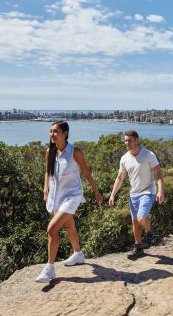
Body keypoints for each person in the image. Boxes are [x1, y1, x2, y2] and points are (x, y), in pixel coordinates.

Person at [35, 121, 103, 283]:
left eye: (56, 131)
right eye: (51, 131)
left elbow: (86, 173)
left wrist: (96, 191)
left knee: (52, 229)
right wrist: (46, 190)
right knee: (69, 226)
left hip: (72, 196)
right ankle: (78, 254)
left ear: (65, 133)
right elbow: (47, 173)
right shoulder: (50, 152)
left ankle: (50, 268)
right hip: (56, 196)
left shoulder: (75, 152)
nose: (52, 134)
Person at [108, 130, 165, 260]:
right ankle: (138, 248)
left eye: (130, 140)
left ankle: (150, 232)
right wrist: (112, 195)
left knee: (140, 218)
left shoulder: (148, 154)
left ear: (137, 140)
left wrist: (161, 191)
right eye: (126, 140)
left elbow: (158, 174)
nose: (127, 143)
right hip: (133, 194)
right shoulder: (124, 159)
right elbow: (119, 178)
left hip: (147, 191)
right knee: (135, 222)